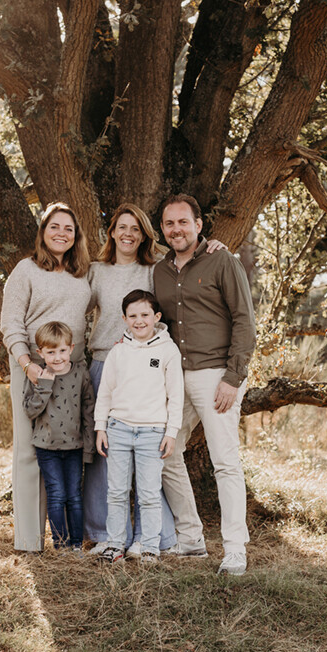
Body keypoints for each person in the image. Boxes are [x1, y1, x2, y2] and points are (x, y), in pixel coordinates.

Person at [83, 203, 226, 556]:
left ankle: (154, 538)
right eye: (122, 227)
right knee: (107, 457)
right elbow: (76, 307)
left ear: (145, 234)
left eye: (136, 229)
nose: (128, 234)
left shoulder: (154, 269)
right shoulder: (96, 271)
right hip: (105, 361)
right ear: (112, 232)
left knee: (149, 457)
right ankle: (108, 534)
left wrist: (212, 246)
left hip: (147, 368)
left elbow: (186, 253)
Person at [155, 193, 257, 576]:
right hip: (174, 379)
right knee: (164, 451)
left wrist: (233, 377)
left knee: (225, 463)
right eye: (169, 223)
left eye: (183, 221)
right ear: (162, 230)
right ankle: (192, 537)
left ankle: (235, 550)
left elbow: (244, 321)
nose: (176, 229)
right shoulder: (160, 270)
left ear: (199, 224)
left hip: (217, 376)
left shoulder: (222, 261)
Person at [0, 202, 93, 552]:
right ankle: (28, 540)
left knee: (68, 447)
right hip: (34, 367)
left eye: (68, 228)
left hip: (72, 370)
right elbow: (10, 323)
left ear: (76, 235)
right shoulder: (25, 270)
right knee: (29, 448)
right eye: (55, 227)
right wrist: (28, 365)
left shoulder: (84, 272)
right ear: (43, 231)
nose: (61, 234)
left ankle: (67, 537)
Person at [93, 288, 183, 563]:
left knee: (148, 494)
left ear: (156, 316)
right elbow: (105, 392)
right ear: (124, 319)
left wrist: (171, 432)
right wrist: (101, 427)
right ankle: (116, 544)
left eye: (145, 314)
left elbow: (176, 394)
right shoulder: (118, 351)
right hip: (118, 429)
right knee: (117, 491)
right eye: (132, 316)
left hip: (152, 433)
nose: (139, 320)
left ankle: (150, 547)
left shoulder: (168, 350)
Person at [22, 320, 96, 551]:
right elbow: (30, 409)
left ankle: (76, 544)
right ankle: (60, 545)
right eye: (51, 352)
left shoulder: (81, 373)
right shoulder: (38, 376)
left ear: (71, 348)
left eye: (62, 351)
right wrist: (44, 385)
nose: (57, 358)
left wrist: (88, 447)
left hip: (74, 447)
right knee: (56, 495)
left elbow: (88, 410)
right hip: (47, 448)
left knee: (74, 496)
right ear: (40, 352)